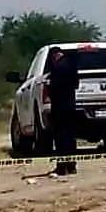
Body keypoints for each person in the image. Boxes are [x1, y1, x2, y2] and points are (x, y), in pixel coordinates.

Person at [45, 46, 81, 176]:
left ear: (54, 55)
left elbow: (53, 87)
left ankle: (61, 167)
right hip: (71, 105)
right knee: (70, 137)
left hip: (60, 106)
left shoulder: (57, 68)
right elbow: (76, 84)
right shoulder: (72, 66)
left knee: (60, 138)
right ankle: (72, 166)